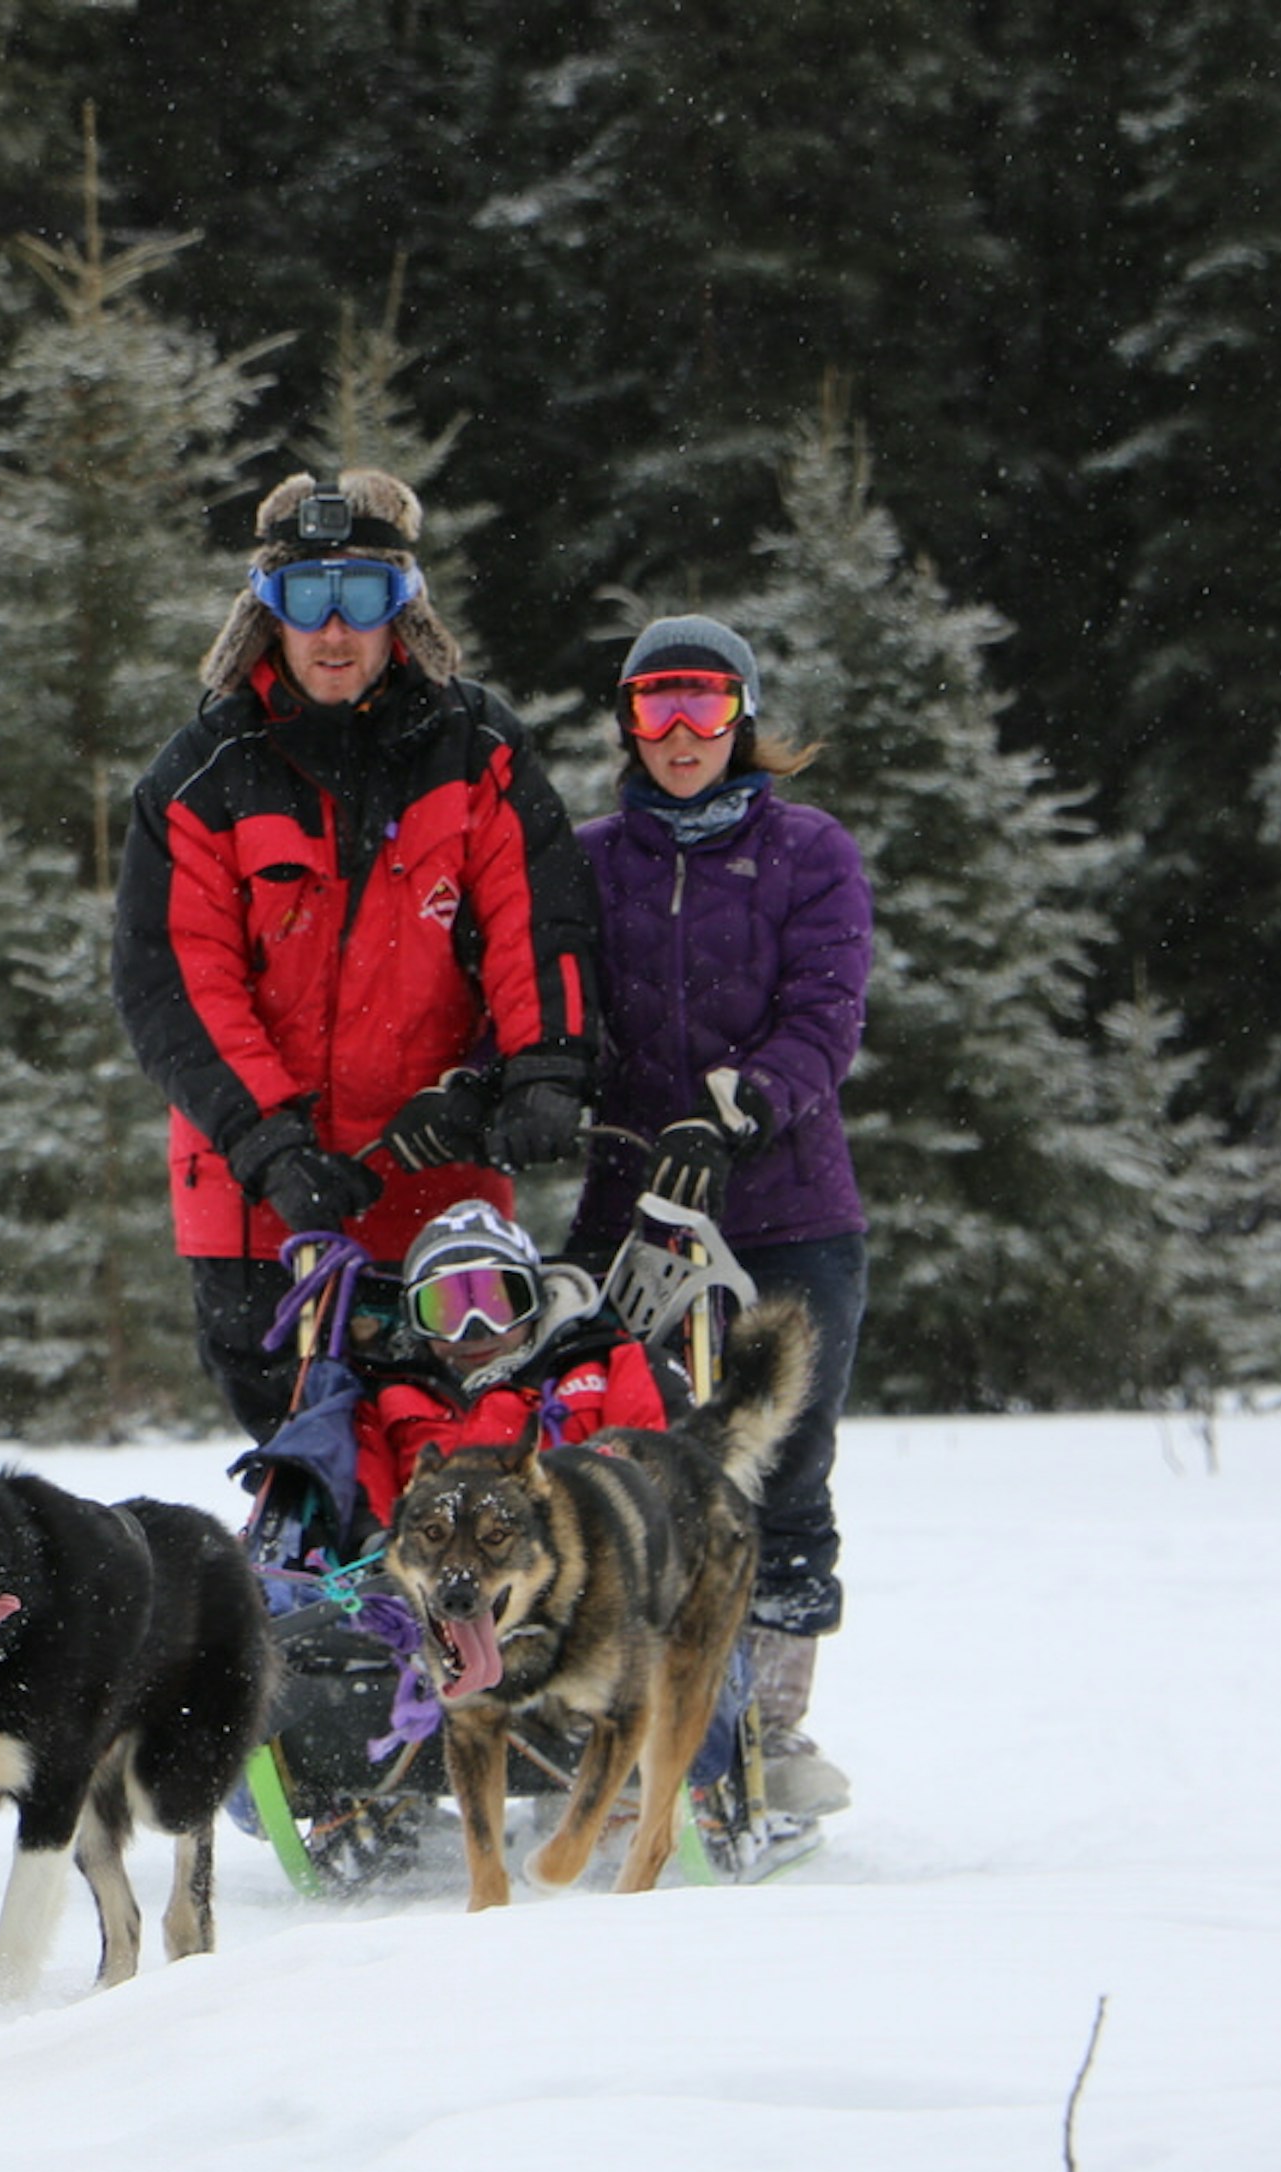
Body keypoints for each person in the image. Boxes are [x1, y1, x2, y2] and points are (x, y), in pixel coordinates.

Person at [113, 468, 601, 1441]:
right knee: (310, 1476)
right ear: (266, 611)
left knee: (457, 1477)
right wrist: (273, 1147)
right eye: (307, 598)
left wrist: (533, 1071)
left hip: (439, 1195)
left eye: (364, 597)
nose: (334, 631)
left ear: (403, 609)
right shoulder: (199, 777)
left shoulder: (478, 751)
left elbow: (537, 927)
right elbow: (174, 980)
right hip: (263, 1212)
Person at [571, 614, 871, 1818]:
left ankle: (769, 1726)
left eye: (704, 705)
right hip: (630, 1208)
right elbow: (554, 1000)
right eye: (657, 707)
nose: (682, 733)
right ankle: (604, 1703)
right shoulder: (591, 858)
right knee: (617, 1448)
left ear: (742, 716)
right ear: (628, 724)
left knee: (779, 1461)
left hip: (786, 1207)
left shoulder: (810, 849)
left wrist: (739, 1107)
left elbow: (825, 1012)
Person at [351, 1201, 665, 1527]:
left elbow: (657, 1475)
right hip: (436, 1563)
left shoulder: (605, 1366)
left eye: (496, 1301)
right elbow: (368, 1506)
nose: (476, 1330)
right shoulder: (385, 1396)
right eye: (445, 1310)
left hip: (586, 1553)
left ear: (536, 1299)